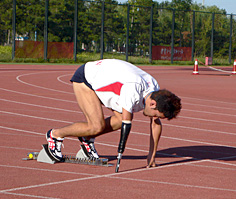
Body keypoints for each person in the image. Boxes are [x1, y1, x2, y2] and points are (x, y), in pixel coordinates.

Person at [46, 59, 181, 168]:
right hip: (86, 79)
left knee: (118, 120)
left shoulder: (155, 90)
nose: (156, 118)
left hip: (107, 81)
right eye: (156, 114)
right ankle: (55, 135)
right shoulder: (133, 89)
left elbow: (155, 124)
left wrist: (152, 155)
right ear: (153, 104)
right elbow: (127, 125)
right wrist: (120, 153)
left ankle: (86, 138)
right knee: (96, 126)